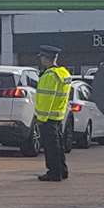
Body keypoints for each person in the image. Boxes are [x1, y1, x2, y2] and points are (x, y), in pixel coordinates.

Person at [33, 44, 73, 182]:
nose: (41, 60)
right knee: (58, 145)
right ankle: (62, 170)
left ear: (46, 58)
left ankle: (54, 172)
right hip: (58, 115)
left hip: (47, 117)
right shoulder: (63, 73)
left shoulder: (49, 76)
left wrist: (41, 118)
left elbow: (46, 98)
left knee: (51, 147)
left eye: (42, 57)